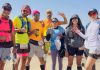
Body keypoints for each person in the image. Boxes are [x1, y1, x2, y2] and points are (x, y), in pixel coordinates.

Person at [13, 5, 31, 70]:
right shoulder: (16, 18)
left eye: (27, 11)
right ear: (21, 11)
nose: (25, 12)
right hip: (18, 42)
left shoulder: (28, 20)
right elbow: (12, 30)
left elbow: (35, 22)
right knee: (17, 60)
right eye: (24, 10)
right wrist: (19, 30)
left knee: (24, 61)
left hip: (26, 43)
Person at [0, 3, 15, 70]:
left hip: (7, 46)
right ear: (1, 9)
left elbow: (12, 35)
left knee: (2, 64)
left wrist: (14, 47)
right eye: (4, 9)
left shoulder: (10, 22)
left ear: (10, 12)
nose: (6, 11)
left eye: (8, 10)